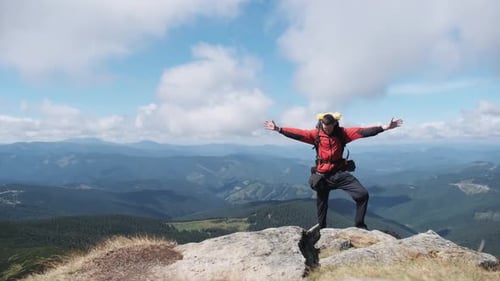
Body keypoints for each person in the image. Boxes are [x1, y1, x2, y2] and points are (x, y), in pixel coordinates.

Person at [264, 113, 403, 229]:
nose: (327, 130)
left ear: (334, 124)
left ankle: (359, 226)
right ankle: (322, 229)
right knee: (322, 203)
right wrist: (278, 129)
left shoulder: (343, 133)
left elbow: (363, 132)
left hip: (339, 173)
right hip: (322, 175)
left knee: (362, 194)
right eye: (325, 127)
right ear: (321, 124)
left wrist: (385, 127)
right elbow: (298, 134)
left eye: (329, 127)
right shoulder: (316, 135)